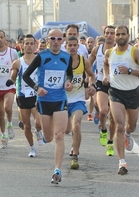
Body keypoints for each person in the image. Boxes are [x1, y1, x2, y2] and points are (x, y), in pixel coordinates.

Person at [22, 29, 73, 184]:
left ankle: (57, 170)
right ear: (48, 40)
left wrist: (69, 81)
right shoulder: (41, 57)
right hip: (44, 101)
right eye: (53, 38)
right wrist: (37, 88)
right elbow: (26, 75)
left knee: (59, 135)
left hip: (60, 100)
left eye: (59, 38)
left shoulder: (66, 57)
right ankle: (44, 135)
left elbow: (69, 73)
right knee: (49, 137)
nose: (56, 41)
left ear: (62, 40)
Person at [103, 25, 139, 175]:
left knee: (131, 126)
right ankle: (122, 162)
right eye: (118, 34)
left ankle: (128, 134)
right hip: (116, 93)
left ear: (128, 35)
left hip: (132, 93)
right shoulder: (109, 52)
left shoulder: (134, 52)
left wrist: (130, 71)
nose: (120, 36)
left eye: (123, 34)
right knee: (119, 125)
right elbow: (106, 64)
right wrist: (106, 75)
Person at [7, 34, 44, 157]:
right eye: (26, 43)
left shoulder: (40, 60)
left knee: (39, 122)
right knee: (26, 126)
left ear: (35, 45)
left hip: (36, 95)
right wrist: (10, 81)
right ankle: (32, 147)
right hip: (23, 96)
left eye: (31, 43)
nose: (28, 46)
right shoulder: (18, 62)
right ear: (22, 45)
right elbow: (13, 76)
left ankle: (38, 131)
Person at [64, 36, 96, 169]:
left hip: (78, 99)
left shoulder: (84, 61)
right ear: (66, 47)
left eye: (74, 45)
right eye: (69, 45)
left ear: (78, 47)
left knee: (76, 125)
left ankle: (75, 156)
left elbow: (91, 75)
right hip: (63, 100)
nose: (72, 47)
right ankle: (73, 142)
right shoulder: (62, 61)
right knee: (66, 130)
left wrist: (92, 85)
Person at [88, 25, 117, 156]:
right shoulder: (97, 49)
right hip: (101, 82)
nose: (110, 35)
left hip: (117, 84)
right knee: (103, 111)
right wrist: (90, 80)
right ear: (104, 35)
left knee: (114, 117)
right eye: (107, 33)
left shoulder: (120, 50)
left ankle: (110, 142)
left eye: (112, 33)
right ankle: (103, 130)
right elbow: (87, 65)